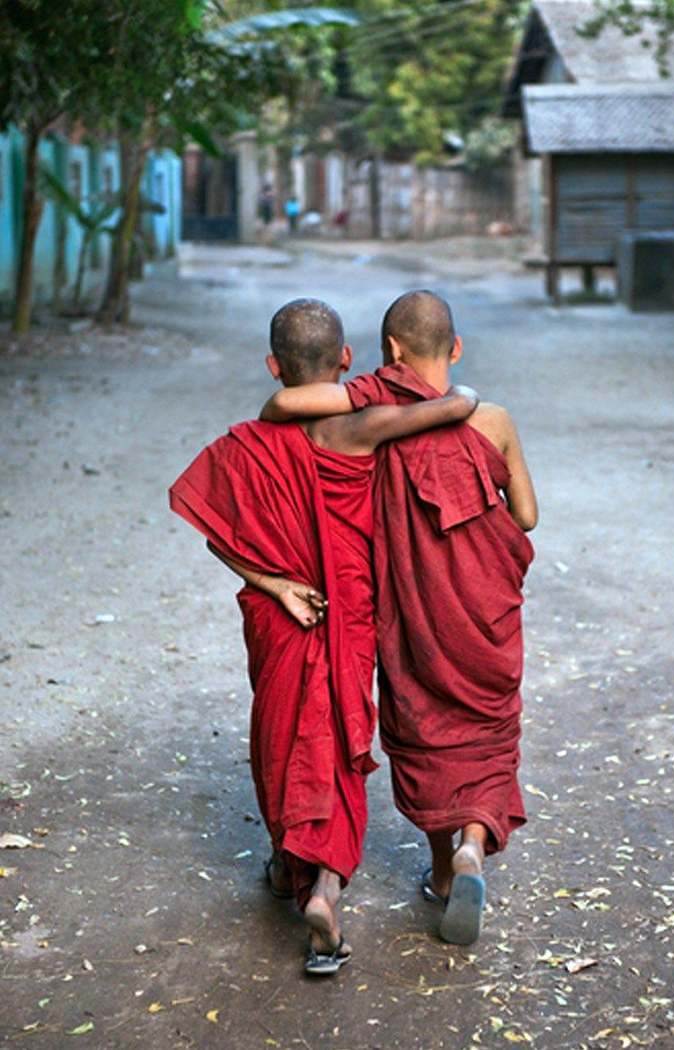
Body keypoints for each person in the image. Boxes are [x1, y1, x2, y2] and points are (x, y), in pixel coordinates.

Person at [169, 298, 478, 975]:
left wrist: (275, 583)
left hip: (282, 614)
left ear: (274, 366)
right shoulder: (359, 430)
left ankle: (288, 865)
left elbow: (216, 531)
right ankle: (327, 887)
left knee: (282, 735)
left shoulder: (247, 443)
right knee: (333, 738)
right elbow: (450, 411)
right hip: (344, 613)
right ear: (345, 361)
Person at [260, 290, 538, 946]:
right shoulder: (492, 421)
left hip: (415, 614)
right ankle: (468, 852)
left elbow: (288, 410)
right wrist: (463, 404)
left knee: (428, 726)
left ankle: (445, 867)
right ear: (457, 348)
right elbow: (524, 516)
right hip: (484, 612)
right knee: (484, 732)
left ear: (388, 353)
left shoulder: (373, 419)